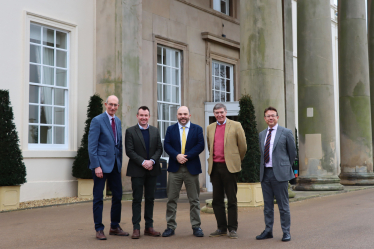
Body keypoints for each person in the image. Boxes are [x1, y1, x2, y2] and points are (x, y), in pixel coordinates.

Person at [88, 95, 129, 240]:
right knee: (98, 197)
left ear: (118, 106)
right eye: (110, 104)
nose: (113, 107)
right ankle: (99, 228)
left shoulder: (117, 121)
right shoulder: (97, 120)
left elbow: (118, 144)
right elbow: (92, 146)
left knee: (117, 196)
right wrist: (96, 166)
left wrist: (120, 162)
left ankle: (114, 226)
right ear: (106, 104)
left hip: (115, 166)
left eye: (115, 105)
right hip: (100, 166)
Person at [162, 106, 205, 238]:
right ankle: (170, 226)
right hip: (175, 168)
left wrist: (186, 156)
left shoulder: (197, 129)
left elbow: (200, 145)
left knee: (194, 200)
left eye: (185, 114)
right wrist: (177, 156)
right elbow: (167, 145)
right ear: (177, 115)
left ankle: (196, 226)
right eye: (180, 114)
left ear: (189, 115)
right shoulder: (171, 129)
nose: (183, 116)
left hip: (191, 168)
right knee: (171, 199)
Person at [206, 103, 247, 239]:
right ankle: (221, 228)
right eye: (217, 113)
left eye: (221, 112)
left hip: (230, 168)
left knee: (231, 199)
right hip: (215, 167)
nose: (219, 115)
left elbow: (243, 147)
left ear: (226, 112)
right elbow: (209, 146)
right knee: (217, 200)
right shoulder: (210, 128)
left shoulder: (236, 125)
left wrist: (235, 160)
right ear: (214, 114)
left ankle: (233, 229)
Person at [256, 106, 296, 242]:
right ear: (265, 119)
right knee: (267, 207)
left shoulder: (286, 132)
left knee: (283, 206)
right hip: (265, 173)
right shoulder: (261, 134)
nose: (270, 118)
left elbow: (292, 153)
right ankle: (268, 231)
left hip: (280, 174)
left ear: (277, 117)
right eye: (268, 116)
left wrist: (283, 167)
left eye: (273, 115)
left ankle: (286, 232)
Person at [125, 106, 163, 239]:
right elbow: (129, 151)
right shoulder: (130, 131)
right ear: (137, 116)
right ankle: (136, 228)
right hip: (137, 170)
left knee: (150, 199)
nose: (144, 118)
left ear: (149, 116)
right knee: (136, 199)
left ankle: (149, 227)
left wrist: (151, 161)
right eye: (141, 115)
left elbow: (159, 149)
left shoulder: (155, 130)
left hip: (152, 170)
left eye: (146, 115)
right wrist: (143, 162)